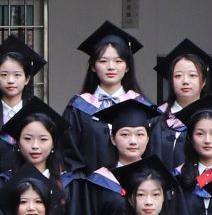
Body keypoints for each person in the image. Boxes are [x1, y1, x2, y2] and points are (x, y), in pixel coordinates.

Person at [62, 22, 151, 172]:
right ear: (93, 66)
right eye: (103, 61)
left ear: (127, 67)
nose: (111, 67)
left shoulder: (141, 106)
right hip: (89, 185)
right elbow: (69, 156)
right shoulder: (78, 108)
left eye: (118, 61)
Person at [0, 35, 48, 174]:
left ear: (27, 79)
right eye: (4, 75)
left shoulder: (39, 116)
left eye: (17, 75)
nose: (11, 80)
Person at [148, 39, 212, 171]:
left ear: (203, 81)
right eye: (178, 76)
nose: (185, 81)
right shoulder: (155, 119)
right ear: (171, 81)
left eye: (192, 75)